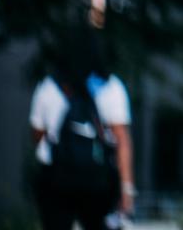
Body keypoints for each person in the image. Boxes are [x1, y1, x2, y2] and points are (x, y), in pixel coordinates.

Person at [29, 26, 136, 230]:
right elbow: (122, 140)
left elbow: (37, 135)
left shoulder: (49, 87)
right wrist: (127, 189)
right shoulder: (111, 87)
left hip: (57, 179)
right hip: (98, 180)